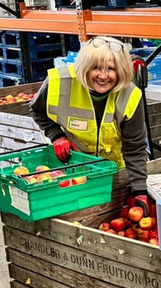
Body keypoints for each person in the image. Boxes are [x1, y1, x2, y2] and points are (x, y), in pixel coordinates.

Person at [30, 36, 150, 210]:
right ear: (85, 67)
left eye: (111, 69)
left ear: (121, 70)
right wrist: (57, 136)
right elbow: (37, 110)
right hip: (74, 170)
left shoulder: (129, 96)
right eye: (95, 68)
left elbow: (135, 147)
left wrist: (139, 191)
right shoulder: (59, 83)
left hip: (115, 173)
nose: (103, 76)